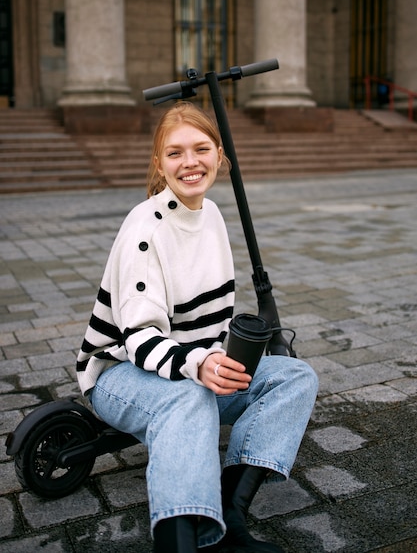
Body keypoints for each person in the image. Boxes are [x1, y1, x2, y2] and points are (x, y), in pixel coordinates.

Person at [76, 101, 318, 553]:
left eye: (201, 148)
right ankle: (183, 541)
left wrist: (217, 362)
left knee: (294, 376)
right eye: (175, 153)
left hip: (191, 366)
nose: (190, 163)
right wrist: (199, 365)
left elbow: (213, 321)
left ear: (219, 155)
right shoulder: (144, 227)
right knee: (188, 396)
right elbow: (140, 340)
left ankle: (229, 516)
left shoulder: (211, 216)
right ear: (158, 163)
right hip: (120, 372)